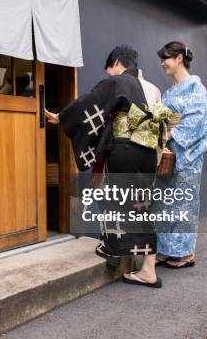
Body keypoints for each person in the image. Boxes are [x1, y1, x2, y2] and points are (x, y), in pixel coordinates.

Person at [45, 45, 164, 288]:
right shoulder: (148, 87)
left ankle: (113, 249)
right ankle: (148, 269)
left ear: (117, 63)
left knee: (111, 198)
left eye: (109, 68)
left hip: (126, 151)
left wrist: (61, 117)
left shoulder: (119, 82)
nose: (108, 74)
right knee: (142, 206)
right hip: (148, 152)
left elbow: (89, 103)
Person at [155, 41, 207, 268]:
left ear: (179, 58)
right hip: (167, 156)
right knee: (164, 202)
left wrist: (170, 133)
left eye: (166, 58)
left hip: (187, 156)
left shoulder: (196, 89)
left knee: (184, 204)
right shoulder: (169, 93)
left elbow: (198, 120)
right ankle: (167, 249)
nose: (163, 63)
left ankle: (185, 253)